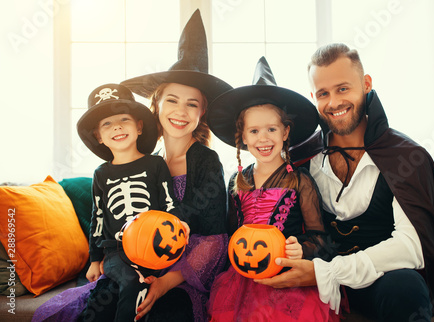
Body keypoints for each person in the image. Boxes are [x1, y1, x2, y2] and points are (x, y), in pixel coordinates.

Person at [32, 10, 232, 322]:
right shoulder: (147, 161)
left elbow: (213, 239)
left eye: (192, 103)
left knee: (165, 315)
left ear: (202, 111)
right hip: (132, 265)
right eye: (172, 100)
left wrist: (165, 282)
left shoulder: (206, 161)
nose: (180, 111)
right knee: (99, 310)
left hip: (183, 276)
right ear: (156, 104)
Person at [256, 43, 434, 321]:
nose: (333, 103)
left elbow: (411, 247)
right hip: (313, 276)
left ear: (366, 84)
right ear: (313, 97)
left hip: (379, 278)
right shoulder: (302, 157)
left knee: (406, 289)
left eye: (343, 89)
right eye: (323, 93)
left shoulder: (406, 157)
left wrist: (327, 272)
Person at [206, 57, 342, 321]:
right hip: (243, 276)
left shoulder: (300, 181)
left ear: (285, 132)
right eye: (254, 131)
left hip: (286, 273)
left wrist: (301, 248)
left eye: (271, 129)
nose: (264, 138)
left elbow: (321, 238)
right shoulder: (236, 182)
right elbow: (232, 234)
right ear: (243, 137)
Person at [75, 82, 188, 321]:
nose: (116, 126)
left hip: (155, 246)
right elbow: (98, 218)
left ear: (139, 127)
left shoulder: (155, 165)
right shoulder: (101, 174)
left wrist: (177, 227)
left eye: (123, 119)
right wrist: (95, 260)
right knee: (130, 281)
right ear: (99, 136)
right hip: (117, 251)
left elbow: (169, 203)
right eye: (106, 123)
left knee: (150, 287)